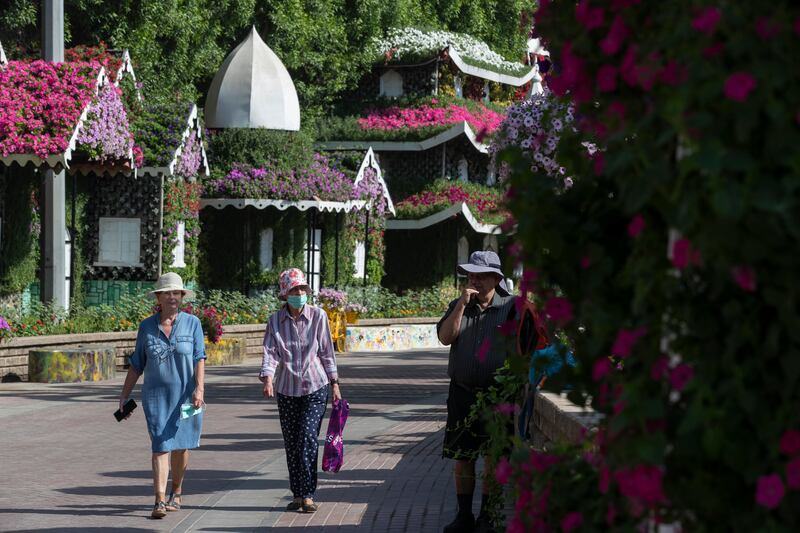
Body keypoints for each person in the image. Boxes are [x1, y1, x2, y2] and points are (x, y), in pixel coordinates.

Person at [437, 251, 517, 533]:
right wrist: (461, 304)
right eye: (471, 275)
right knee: (463, 456)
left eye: (480, 275)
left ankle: (487, 516)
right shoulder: (458, 305)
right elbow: (446, 337)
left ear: (496, 278)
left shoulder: (513, 307)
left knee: (494, 456)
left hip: (498, 397)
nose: (474, 280)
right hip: (462, 393)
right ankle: (464, 515)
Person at [119, 272, 206, 519]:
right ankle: (158, 500)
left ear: (182, 296)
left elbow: (199, 358)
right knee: (160, 444)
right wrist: (124, 396)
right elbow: (137, 363)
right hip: (156, 397)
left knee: (181, 446)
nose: (172, 297)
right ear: (158, 297)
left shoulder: (193, 323)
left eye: (176, 293)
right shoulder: (146, 326)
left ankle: (176, 492)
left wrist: (200, 388)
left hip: (187, 397)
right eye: (167, 293)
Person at [259, 268, 342, 513]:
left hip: (315, 386)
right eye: (294, 290)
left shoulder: (318, 316)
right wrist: (268, 378)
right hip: (287, 389)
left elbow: (327, 351)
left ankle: (308, 493)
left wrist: (335, 382)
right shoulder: (275, 321)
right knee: (292, 442)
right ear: (285, 294)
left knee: (307, 438)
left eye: (302, 289)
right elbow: (270, 352)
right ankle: (297, 494)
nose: (299, 293)